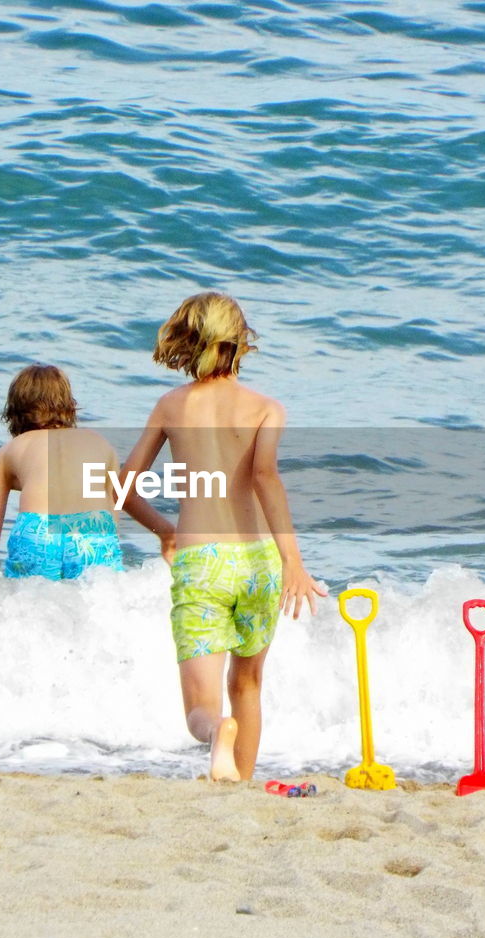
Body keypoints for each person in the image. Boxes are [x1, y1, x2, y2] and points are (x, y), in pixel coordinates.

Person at [121, 292, 326, 782]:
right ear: (241, 343)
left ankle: (217, 735)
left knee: (201, 709)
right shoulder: (266, 409)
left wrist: (166, 530)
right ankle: (242, 783)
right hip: (259, 562)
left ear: (188, 342)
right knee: (249, 684)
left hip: (202, 561)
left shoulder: (170, 406)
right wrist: (292, 562)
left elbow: (125, 489)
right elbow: (265, 478)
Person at [0, 364, 126, 580]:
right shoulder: (101, 444)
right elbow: (112, 526)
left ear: (14, 411)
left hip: (39, 531)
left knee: (30, 604)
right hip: (92, 533)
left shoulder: (6, 453)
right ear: (69, 406)